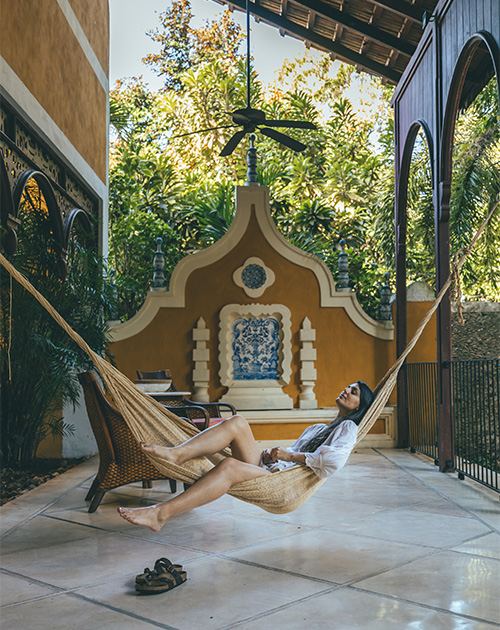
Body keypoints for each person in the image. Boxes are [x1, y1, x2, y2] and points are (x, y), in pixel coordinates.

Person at [118, 381, 374, 531]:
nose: (346, 391)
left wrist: (289, 456)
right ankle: (176, 454)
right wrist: (275, 455)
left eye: (354, 392)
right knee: (237, 422)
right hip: (273, 471)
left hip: (284, 487)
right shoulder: (319, 428)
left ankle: (160, 513)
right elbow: (294, 455)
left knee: (229, 466)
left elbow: (333, 462)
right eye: (348, 387)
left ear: (360, 406)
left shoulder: (348, 428)